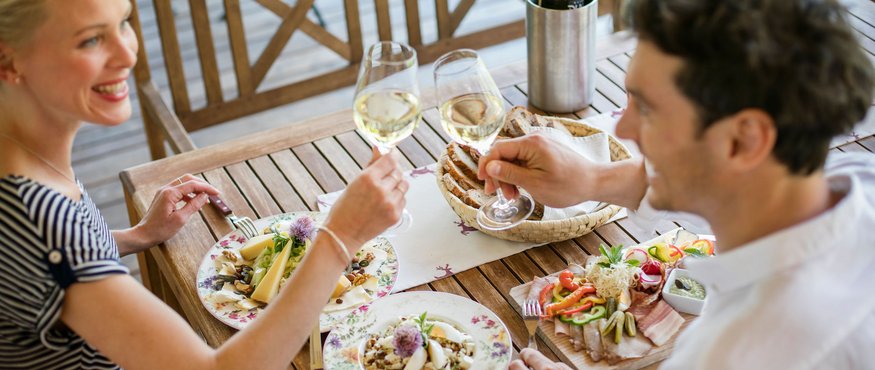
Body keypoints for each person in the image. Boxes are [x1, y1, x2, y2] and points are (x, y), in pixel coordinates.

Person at [0, 0, 408, 369]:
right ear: (9, 60)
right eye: (90, 40)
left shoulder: (24, 159)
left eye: (123, 22)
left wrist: (136, 236)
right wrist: (340, 237)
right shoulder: (41, 219)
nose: (128, 54)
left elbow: (47, 264)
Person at [488, 0, 875, 369]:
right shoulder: (858, 177)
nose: (623, 128)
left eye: (648, 109)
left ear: (745, 141)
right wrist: (590, 178)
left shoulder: (736, 354)